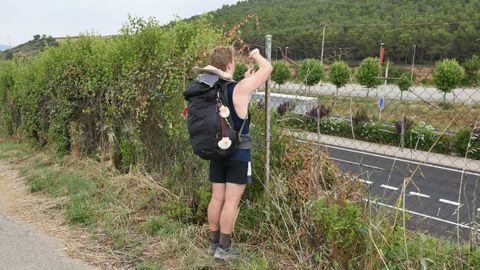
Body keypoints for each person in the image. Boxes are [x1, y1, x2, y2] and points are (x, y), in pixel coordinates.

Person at [199, 46, 272, 260]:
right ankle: (224, 249)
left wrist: (243, 79)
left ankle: (213, 245)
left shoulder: (210, 89)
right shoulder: (239, 89)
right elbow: (267, 69)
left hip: (217, 150)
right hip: (238, 153)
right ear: (230, 64)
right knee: (231, 202)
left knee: (216, 198)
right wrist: (257, 55)